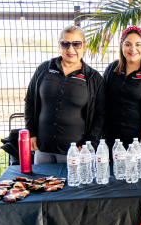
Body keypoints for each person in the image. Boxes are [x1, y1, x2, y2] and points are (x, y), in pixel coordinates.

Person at [24, 25, 106, 163]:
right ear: (59, 45)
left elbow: (101, 114)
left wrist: (89, 144)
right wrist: (31, 132)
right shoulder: (44, 69)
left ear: (84, 46)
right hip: (43, 148)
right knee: (44, 184)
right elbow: (30, 101)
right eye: (65, 44)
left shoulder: (93, 78)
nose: (71, 49)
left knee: (72, 185)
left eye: (76, 44)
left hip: (75, 151)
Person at [103, 26, 141, 150]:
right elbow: (102, 102)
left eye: (138, 44)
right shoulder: (112, 69)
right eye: (128, 44)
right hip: (113, 139)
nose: (133, 49)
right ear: (122, 47)